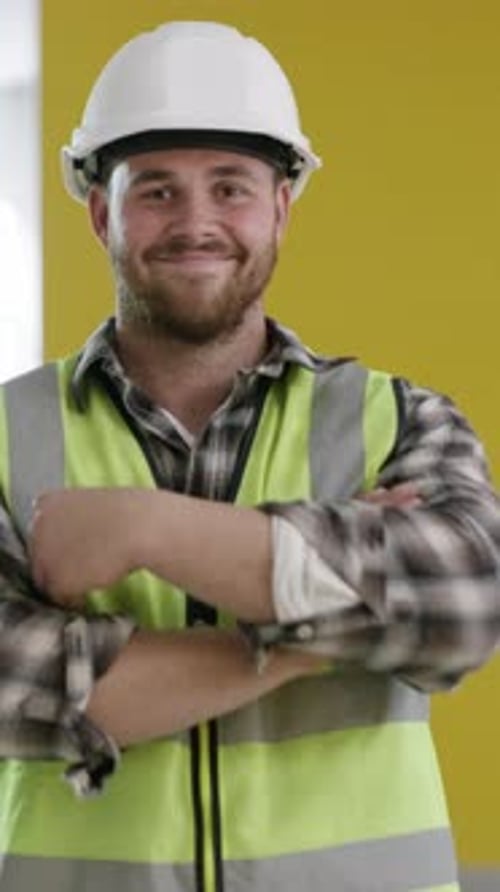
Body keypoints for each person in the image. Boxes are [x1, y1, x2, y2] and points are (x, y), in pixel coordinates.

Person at [0, 20, 498, 892]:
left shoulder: (397, 419)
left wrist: (150, 527)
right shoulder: (7, 435)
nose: (195, 223)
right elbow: (18, 682)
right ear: (100, 211)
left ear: (280, 207)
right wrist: (327, 634)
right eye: (156, 191)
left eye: (230, 188)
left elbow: (466, 606)